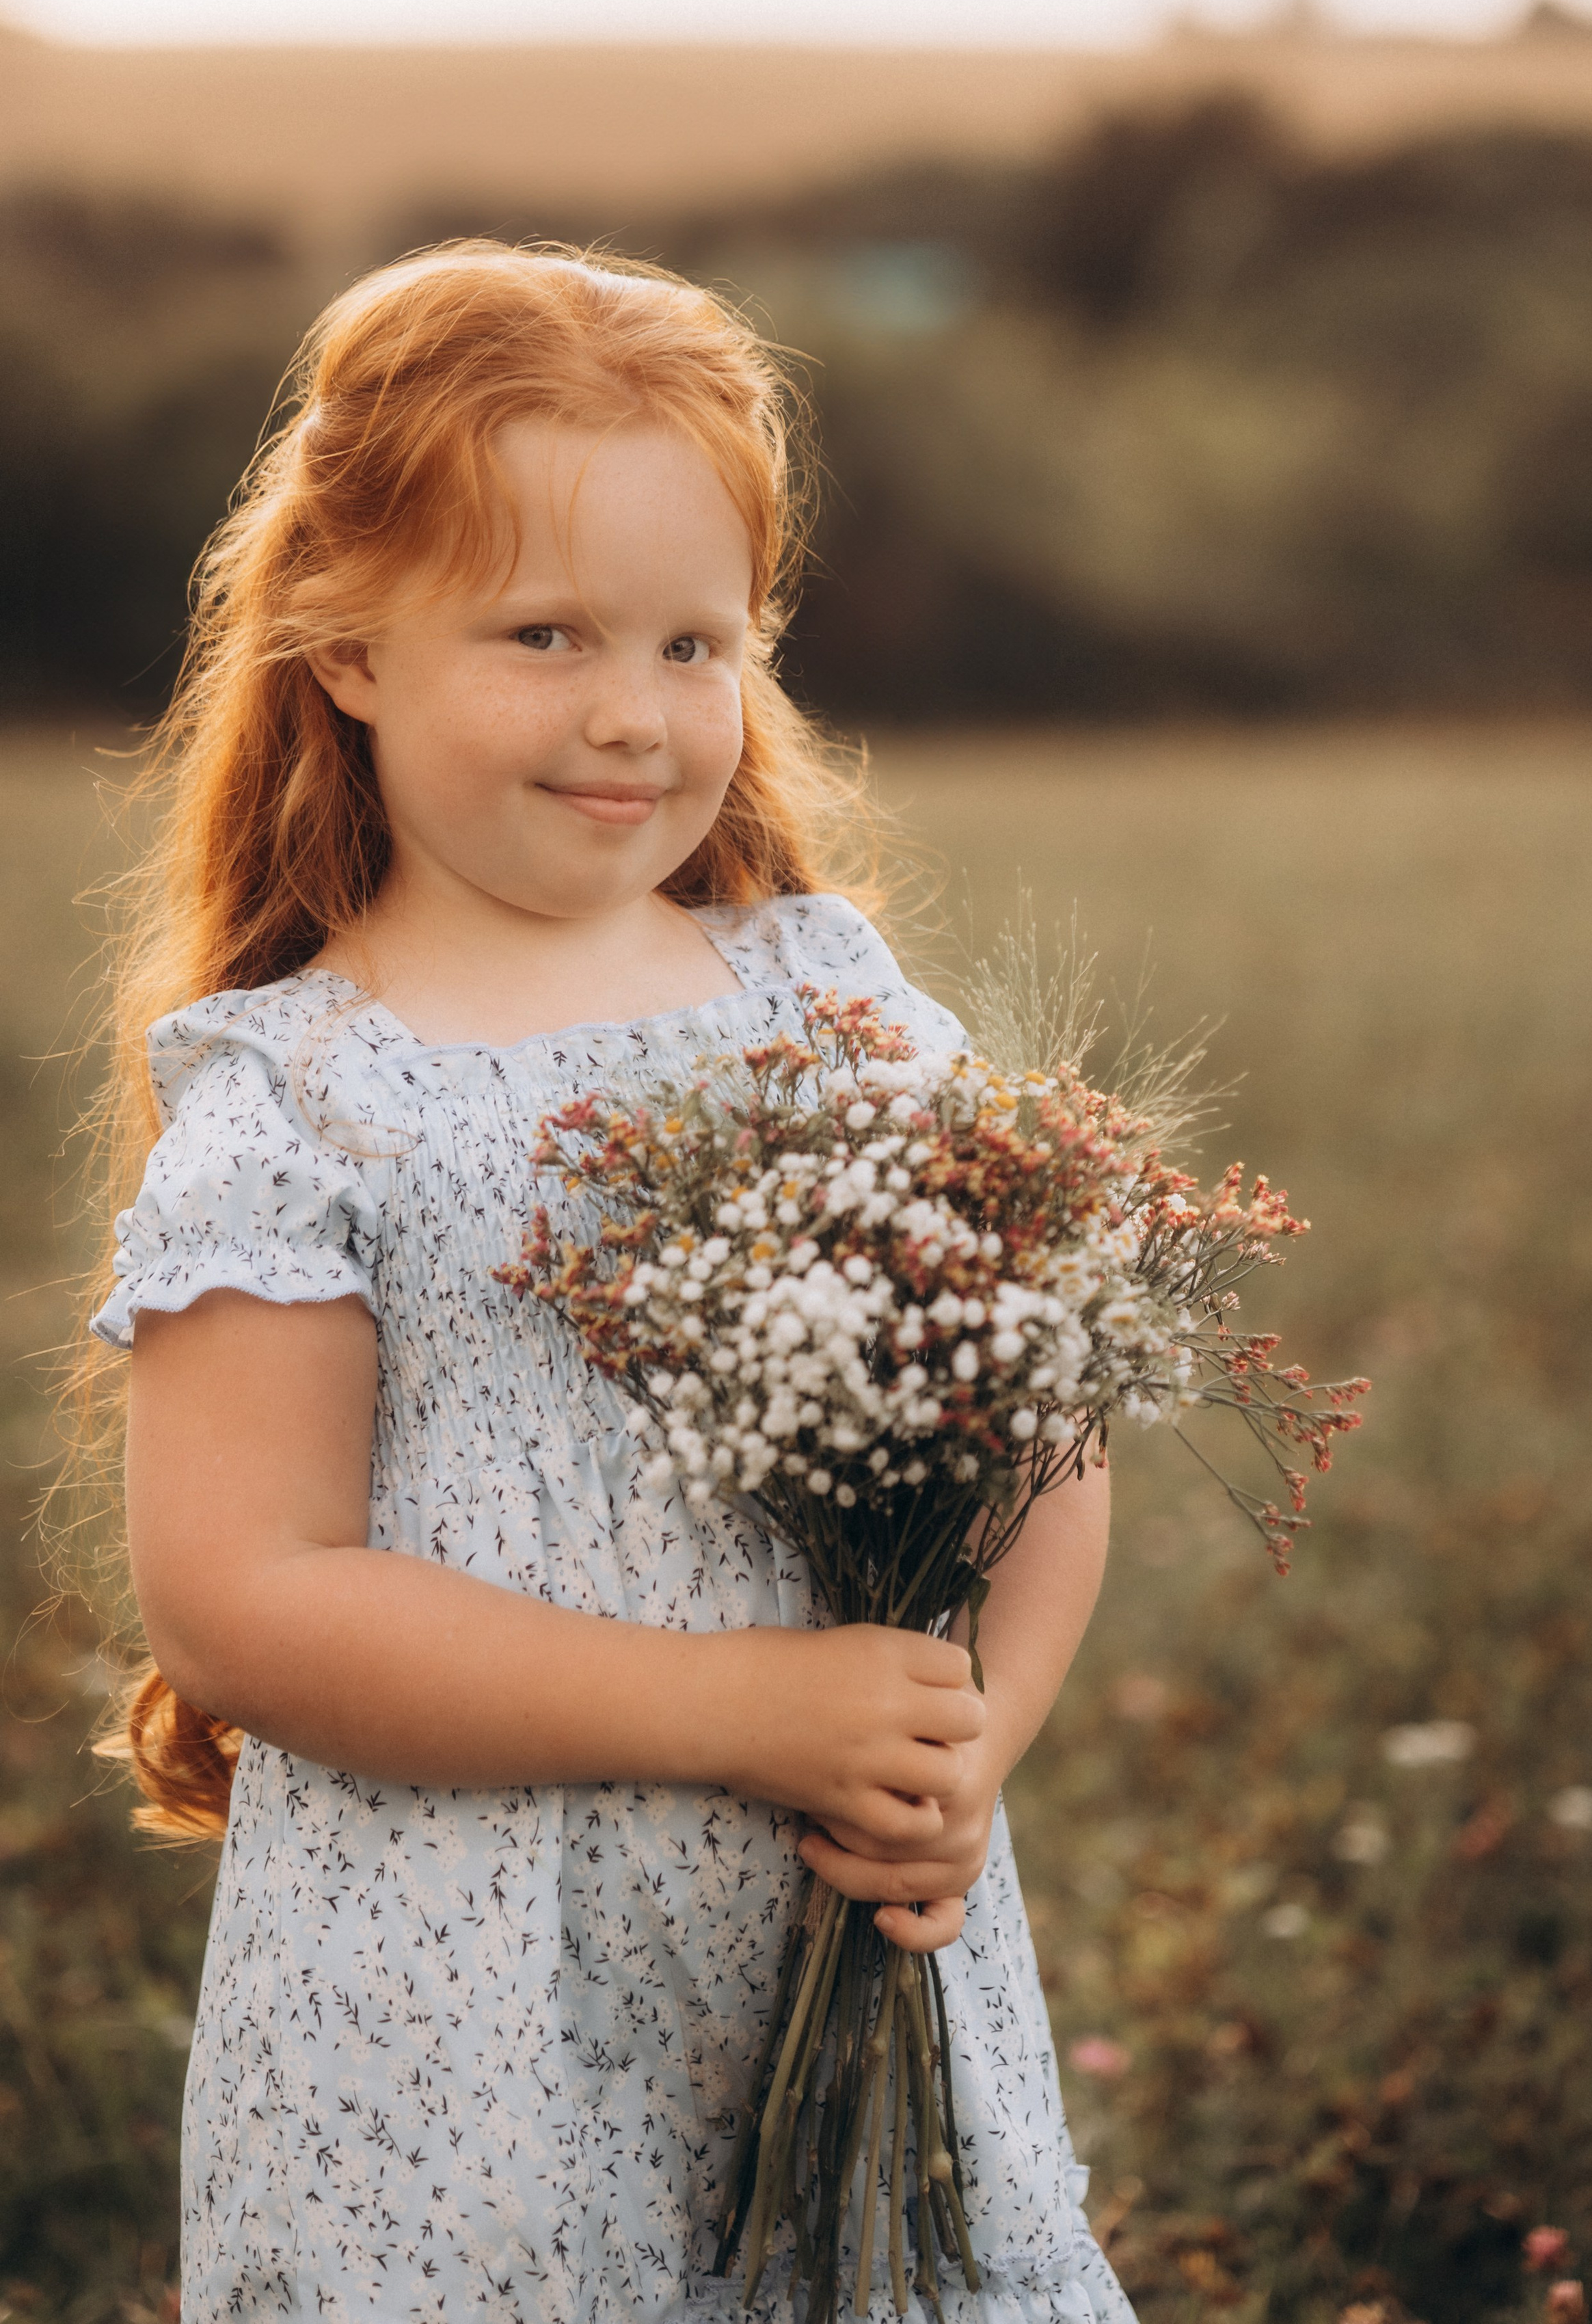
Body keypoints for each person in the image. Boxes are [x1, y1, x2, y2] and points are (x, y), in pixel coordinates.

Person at [85, 241, 1131, 2323]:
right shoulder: (308, 1099)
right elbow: (244, 1588)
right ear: (346, 639)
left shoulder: (834, 1014)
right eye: (542, 632)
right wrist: (746, 1709)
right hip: (452, 2007)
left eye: (693, 640)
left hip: (834, 1946)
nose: (632, 716)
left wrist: (966, 1753)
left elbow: (1035, 1429)